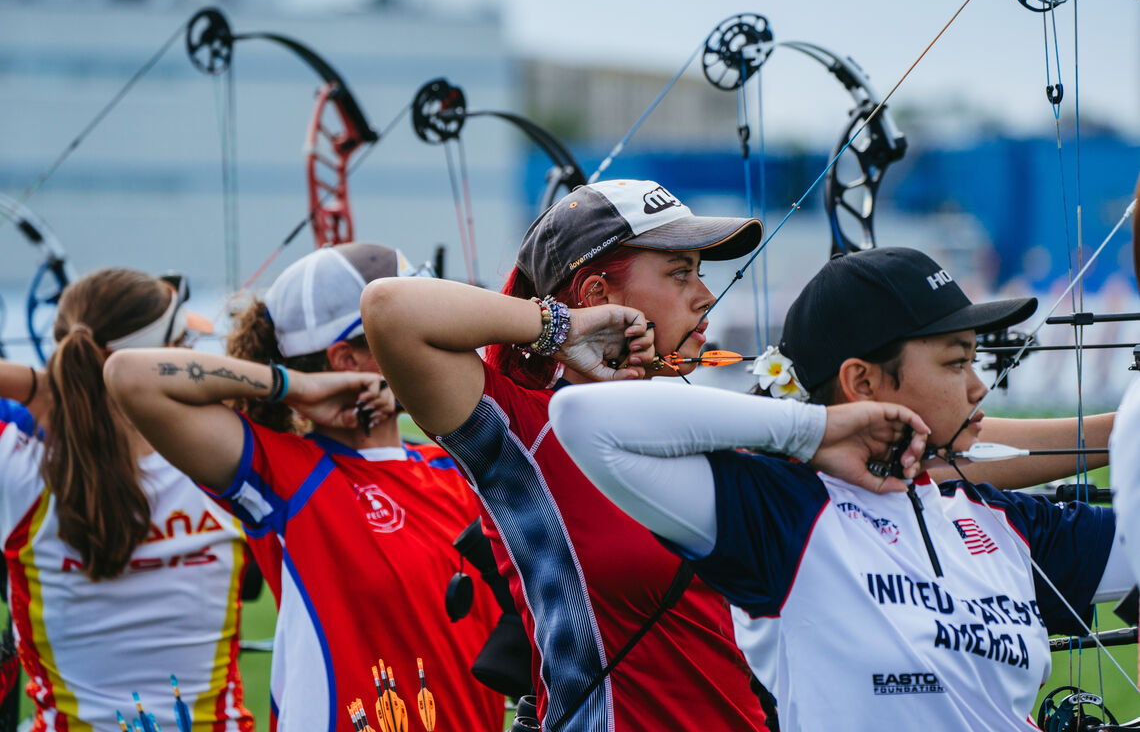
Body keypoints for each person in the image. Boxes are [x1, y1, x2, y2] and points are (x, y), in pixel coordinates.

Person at [548, 246, 1136, 730]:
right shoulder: (786, 514)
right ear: (862, 380)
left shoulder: (1004, 522)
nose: (979, 388)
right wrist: (815, 429)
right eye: (956, 363)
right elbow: (586, 419)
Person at [362, 179, 775, 731]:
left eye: (701, 272)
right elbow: (390, 308)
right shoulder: (523, 432)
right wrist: (561, 326)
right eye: (681, 272)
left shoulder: (707, 429)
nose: (704, 295)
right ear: (597, 294)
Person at [105, 243, 504, 732]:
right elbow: (130, 376)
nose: (436, 337)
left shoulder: (453, 464)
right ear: (347, 356)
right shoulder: (291, 474)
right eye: (411, 325)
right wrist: (295, 387)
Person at [0, 269, 254, 732]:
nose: (193, 360)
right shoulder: (233, 459)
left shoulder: (16, 465)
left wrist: (41, 385)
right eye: (184, 348)